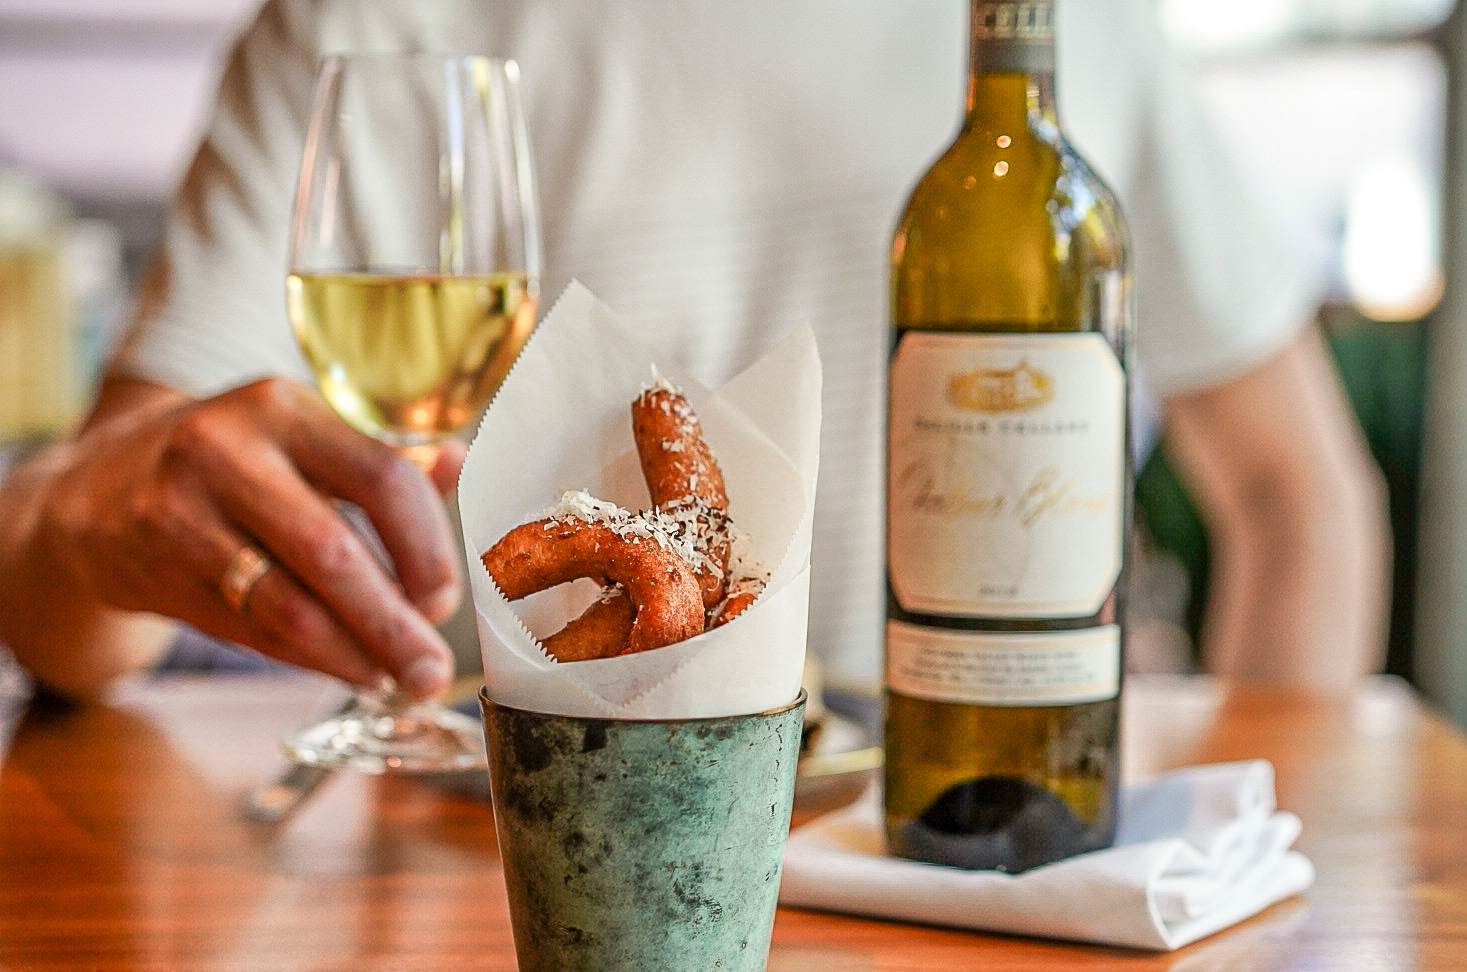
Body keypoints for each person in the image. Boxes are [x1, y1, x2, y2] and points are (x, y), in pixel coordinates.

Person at [0, 0, 1389, 702]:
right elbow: (78, 592)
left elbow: (1296, 498)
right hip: (510, 882)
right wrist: (81, 526)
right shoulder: (367, 23)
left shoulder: (1033, 35)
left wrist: (1253, 857)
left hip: (959, 865)